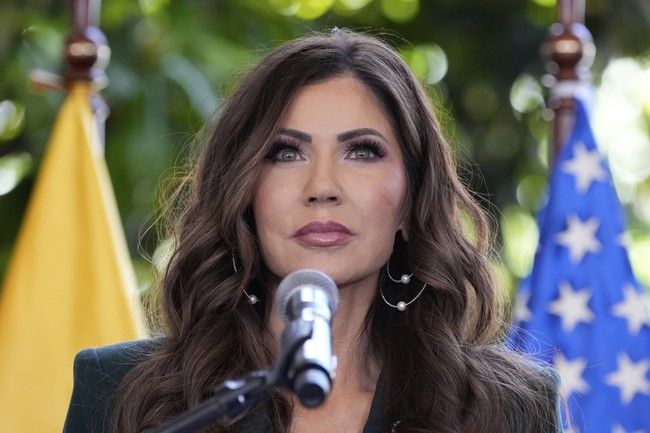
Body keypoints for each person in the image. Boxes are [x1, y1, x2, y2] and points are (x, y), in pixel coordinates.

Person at [63, 28, 563, 433]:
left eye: (361, 151)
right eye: (286, 153)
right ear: (244, 194)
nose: (322, 187)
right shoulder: (120, 391)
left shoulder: (509, 409)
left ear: (412, 201)